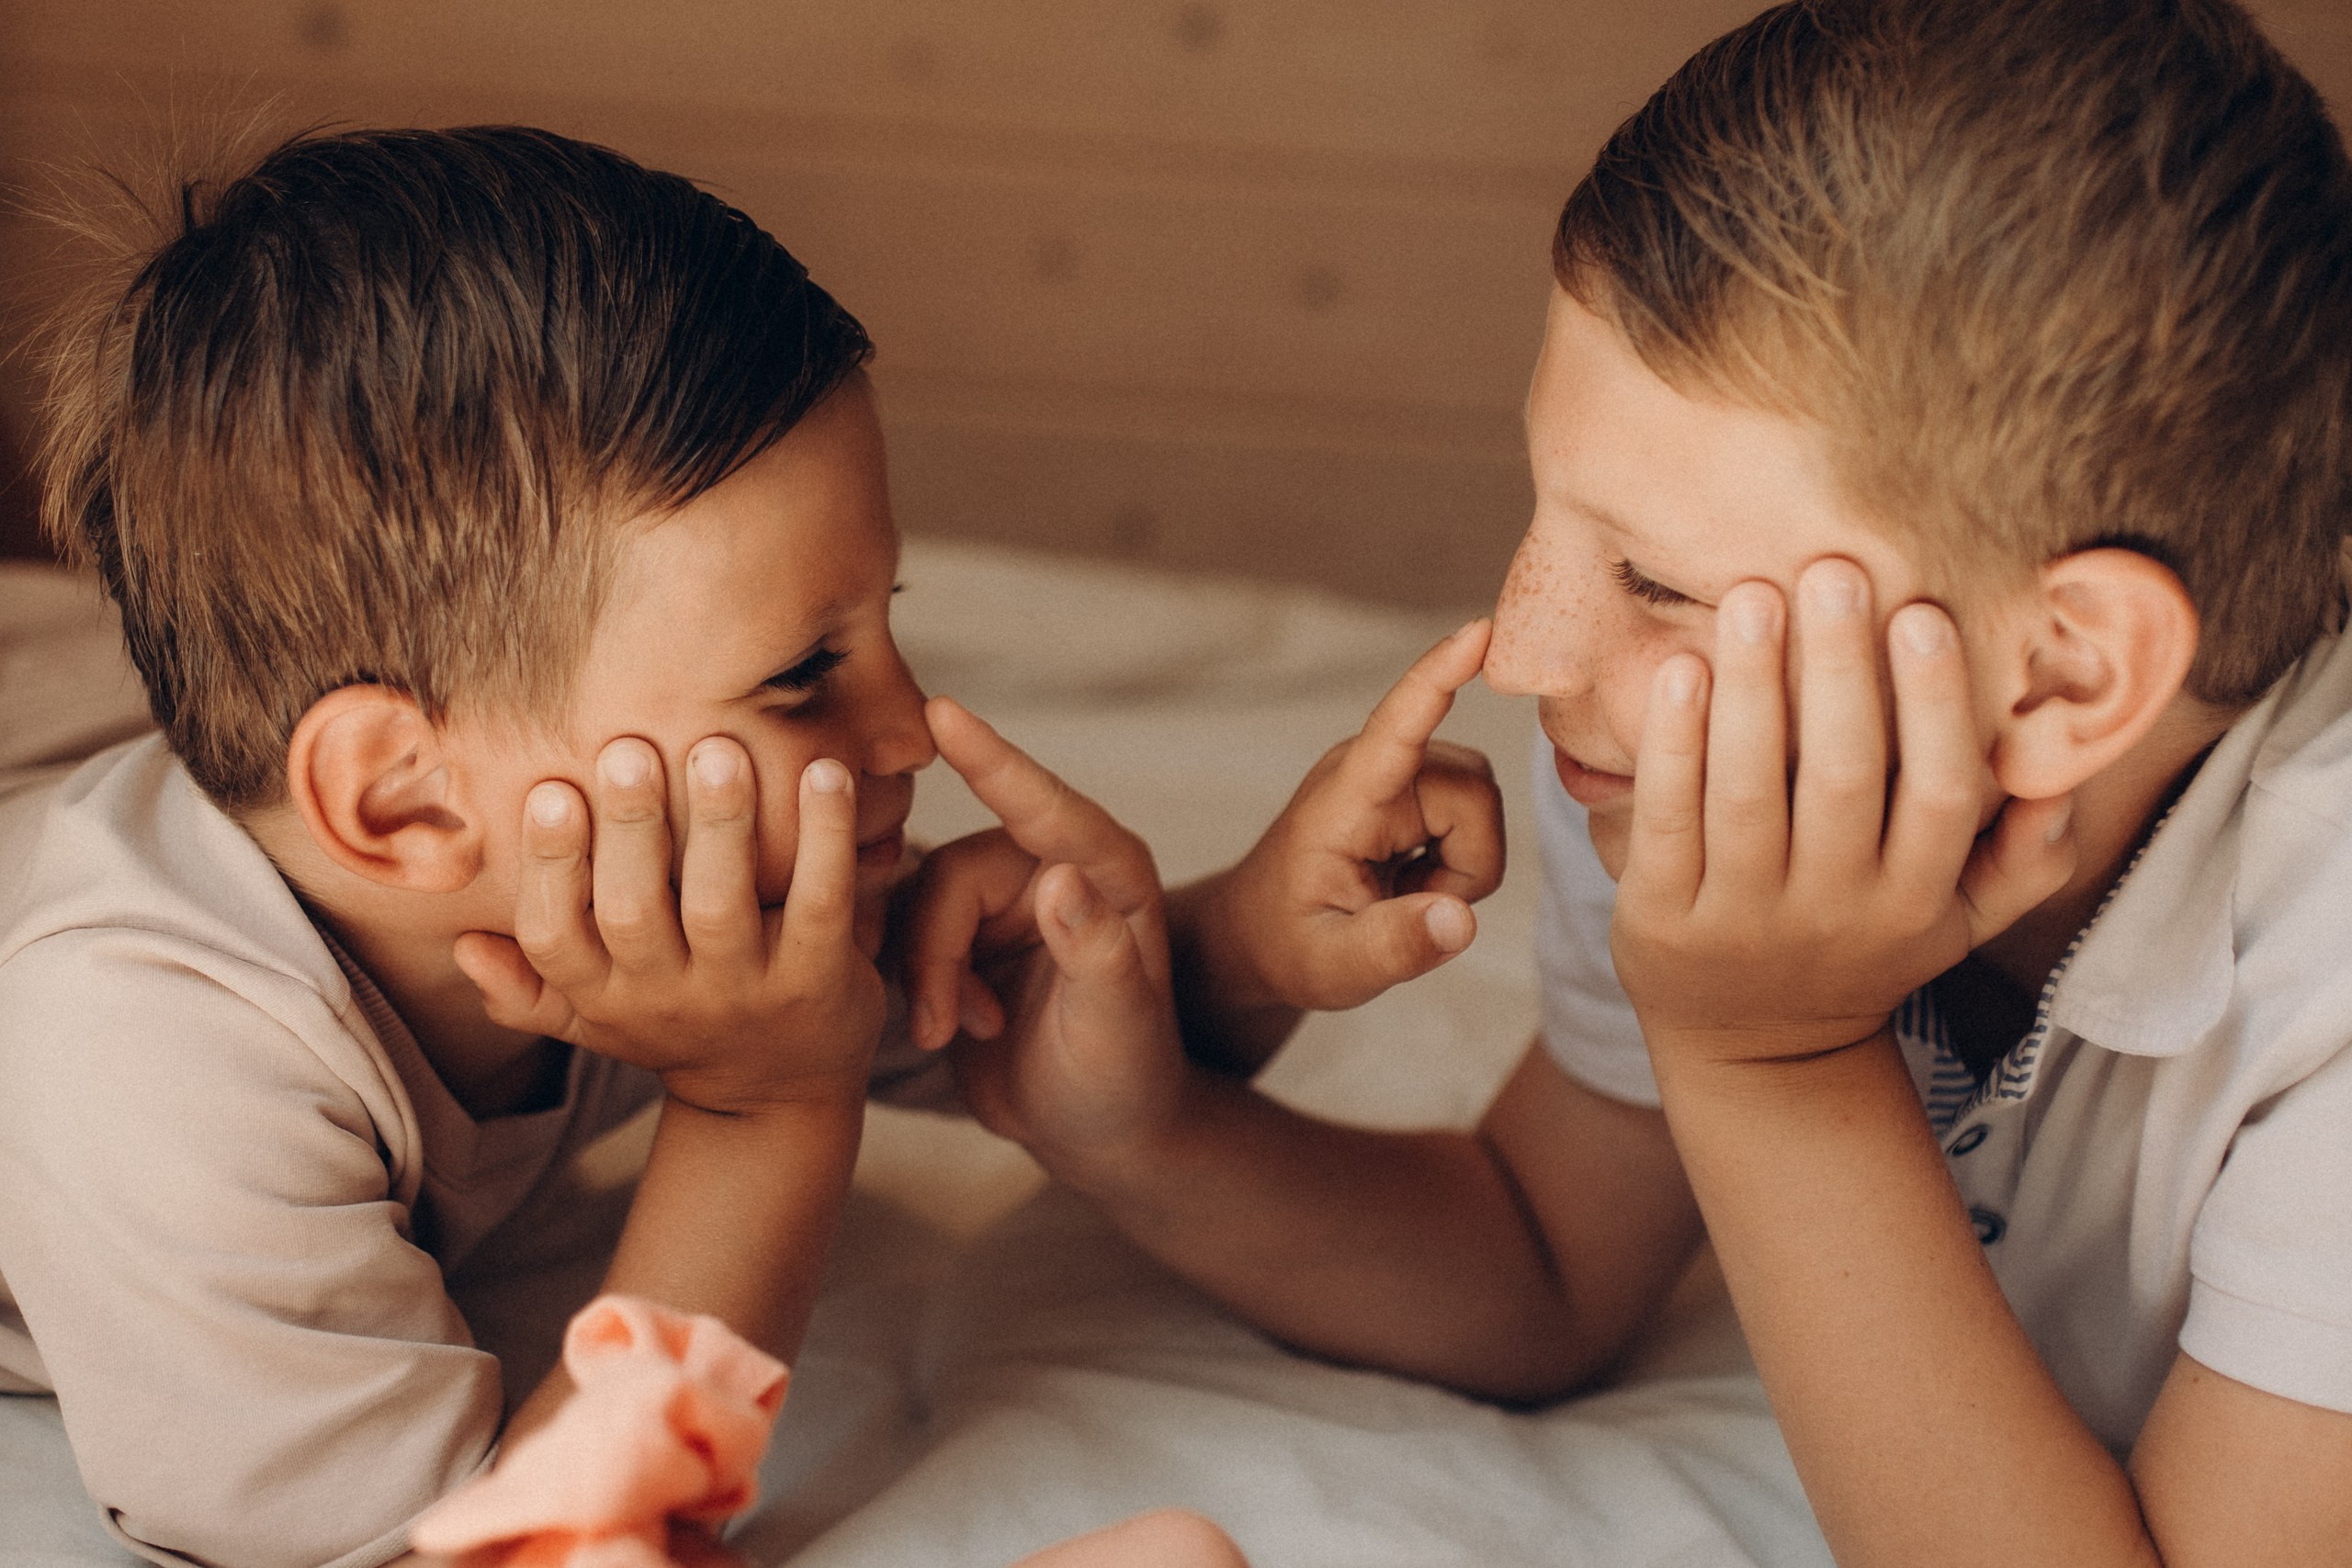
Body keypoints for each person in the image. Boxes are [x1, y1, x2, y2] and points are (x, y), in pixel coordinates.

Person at [902, 2, 2352, 1562]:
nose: (1524, 649)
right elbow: (1543, 1266)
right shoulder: (1708, 771)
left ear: (2062, 676)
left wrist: (1774, 1066)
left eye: (1656, 581)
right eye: (1548, 517)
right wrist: (1137, 1130)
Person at [0, 126, 1241, 1568]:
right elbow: (495, 1558)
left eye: (883, 625)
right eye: (801, 676)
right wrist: (758, 1112)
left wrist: (1254, 937)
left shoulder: (624, 881)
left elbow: (1040, 1052)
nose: (909, 730)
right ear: (406, 803)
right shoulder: (142, 1059)